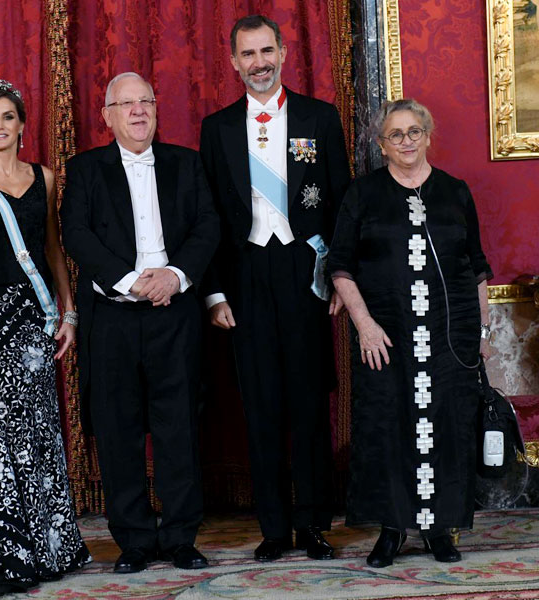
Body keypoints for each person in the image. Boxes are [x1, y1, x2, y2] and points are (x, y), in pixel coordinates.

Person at [199, 15, 351, 562]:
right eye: (248, 54)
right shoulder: (215, 128)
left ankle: (313, 525)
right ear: (234, 61)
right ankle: (274, 527)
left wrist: (341, 277)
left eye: (267, 50)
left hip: (304, 272)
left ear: (284, 53)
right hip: (246, 277)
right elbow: (209, 219)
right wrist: (214, 294)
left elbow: (343, 204)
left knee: (309, 402)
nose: (259, 62)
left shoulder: (320, 117)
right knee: (260, 405)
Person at [60, 72, 219, 574]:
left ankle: (179, 538)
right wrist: (131, 281)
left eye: (145, 101)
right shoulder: (84, 169)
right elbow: (75, 234)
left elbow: (208, 226)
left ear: (156, 107)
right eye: (124, 104)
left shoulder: (187, 164)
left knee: (179, 430)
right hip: (112, 319)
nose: (137, 111)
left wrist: (173, 275)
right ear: (106, 115)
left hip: (175, 315)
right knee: (118, 431)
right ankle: (132, 541)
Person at [327, 99, 493, 567]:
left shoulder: (455, 192)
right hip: (387, 335)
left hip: (450, 337)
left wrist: (481, 332)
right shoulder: (363, 195)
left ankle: (442, 528)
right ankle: (392, 529)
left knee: (447, 425)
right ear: (381, 144)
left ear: (428, 134)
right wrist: (364, 325)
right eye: (396, 134)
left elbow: (477, 268)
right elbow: (340, 266)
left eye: (414, 131)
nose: (406, 141)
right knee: (387, 425)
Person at [0, 79, 90, 599]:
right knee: (7, 431)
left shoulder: (46, 179)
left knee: (42, 425)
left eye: (8, 116)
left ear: (23, 125)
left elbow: (53, 251)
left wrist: (68, 312)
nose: (0, 126)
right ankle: (14, 545)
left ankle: (52, 541)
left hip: (39, 317)